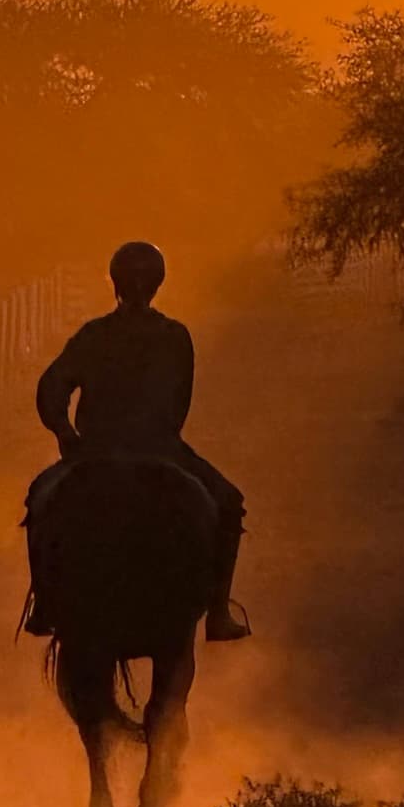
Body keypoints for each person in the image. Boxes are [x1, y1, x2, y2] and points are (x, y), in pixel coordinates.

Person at [24, 240, 251, 642]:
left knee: (40, 498)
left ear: (114, 283)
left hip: (95, 450)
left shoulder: (93, 335)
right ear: (158, 285)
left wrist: (65, 432)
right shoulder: (175, 336)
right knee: (229, 505)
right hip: (161, 448)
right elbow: (180, 402)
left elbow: (52, 388)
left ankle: (44, 603)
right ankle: (217, 611)